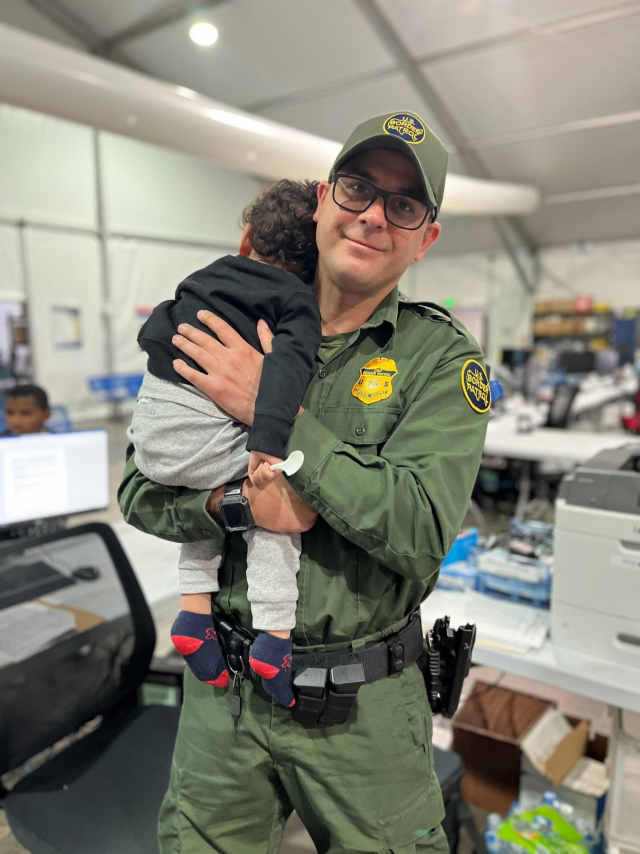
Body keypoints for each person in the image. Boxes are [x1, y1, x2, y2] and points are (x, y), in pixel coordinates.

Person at [119, 111, 491, 854]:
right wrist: (235, 504)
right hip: (222, 693)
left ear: (427, 238)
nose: (373, 216)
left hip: (364, 712)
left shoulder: (440, 360)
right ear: (323, 198)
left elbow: (421, 531)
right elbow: (138, 489)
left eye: (404, 205)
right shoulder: (226, 317)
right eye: (357, 188)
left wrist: (272, 413)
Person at [129, 180, 322, 707]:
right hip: (199, 441)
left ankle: (194, 609)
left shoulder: (202, 277)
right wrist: (267, 443)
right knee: (272, 503)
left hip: (149, 440)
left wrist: (170, 363)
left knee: (213, 489)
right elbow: (283, 372)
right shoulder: (298, 301)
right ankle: (275, 638)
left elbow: (154, 330)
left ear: (247, 238)